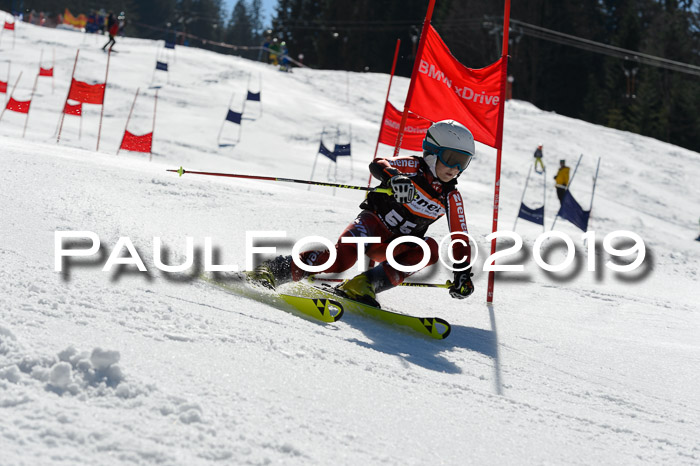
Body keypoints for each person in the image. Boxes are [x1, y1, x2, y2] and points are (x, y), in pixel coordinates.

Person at [249, 120, 476, 306]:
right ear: (432, 153)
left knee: (430, 249)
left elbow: (460, 238)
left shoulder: (451, 196)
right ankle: (274, 269)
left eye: (463, 162)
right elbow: (379, 163)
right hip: (372, 225)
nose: (455, 169)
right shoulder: (413, 167)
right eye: (451, 159)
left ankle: (364, 285)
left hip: (394, 246)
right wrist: (394, 177)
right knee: (341, 260)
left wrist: (463, 272)